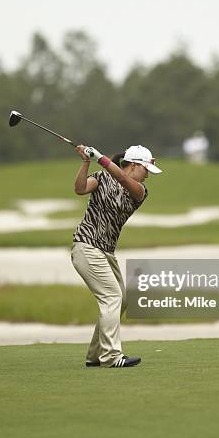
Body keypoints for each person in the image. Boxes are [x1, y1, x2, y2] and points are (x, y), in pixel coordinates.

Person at [71, 144, 162, 368]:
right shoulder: (101, 177)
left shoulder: (139, 191)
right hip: (87, 246)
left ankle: (95, 355)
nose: (148, 175)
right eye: (146, 169)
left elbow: (120, 178)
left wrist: (99, 157)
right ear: (134, 165)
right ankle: (111, 356)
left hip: (106, 252)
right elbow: (80, 189)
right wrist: (86, 162)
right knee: (112, 297)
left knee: (120, 300)